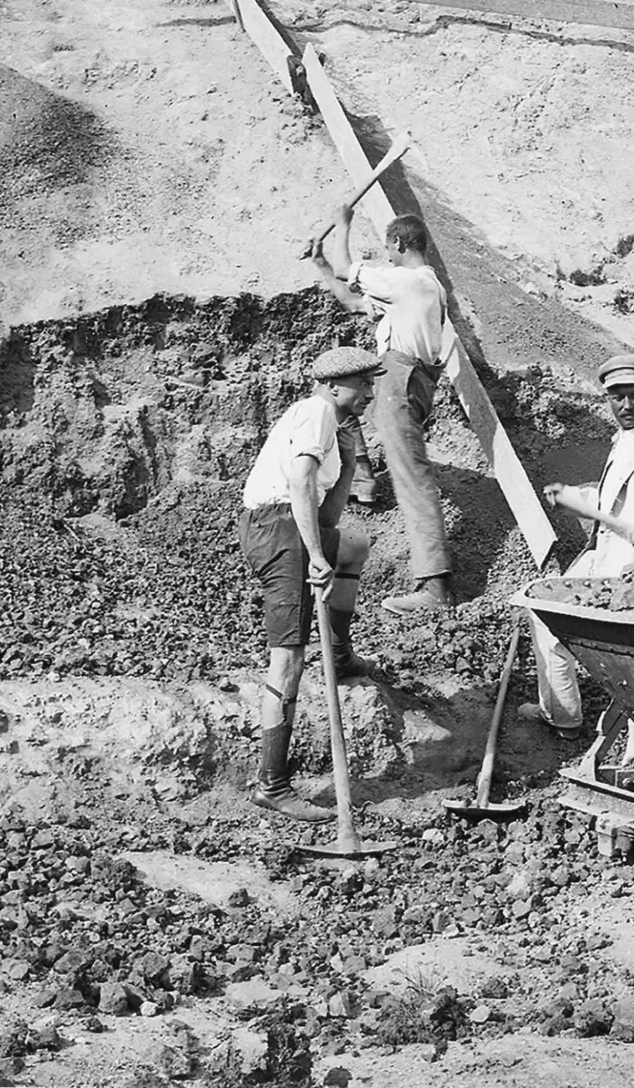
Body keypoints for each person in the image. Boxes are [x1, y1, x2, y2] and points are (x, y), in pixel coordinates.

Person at [236, 346, 382, 822]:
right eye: (364, 384)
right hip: (279, 527)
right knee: (289, 658)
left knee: (354, 545)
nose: (370, 393)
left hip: (292, 523)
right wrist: (316, 556)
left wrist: (349, 460)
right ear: (334, 386)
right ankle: (272, 784)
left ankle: (338, 654)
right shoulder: (316, 411)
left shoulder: (333, 428)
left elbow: (328, 517)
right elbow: (300, 481)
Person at [521, 354, 634, 737]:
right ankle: (562, 714)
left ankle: (592, 724)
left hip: (633, 568)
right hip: (603, 555)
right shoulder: (623, 440)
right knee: (544, 614)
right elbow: (612, 502)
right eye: (618, 398)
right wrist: (575, 497)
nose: (626, 406)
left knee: (589, 640)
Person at [309, 206, 455, 616]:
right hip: (397, 379)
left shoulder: (410, 281)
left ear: (400, 243)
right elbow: (351, 301)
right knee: (339, 399)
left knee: (413, 479)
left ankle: (436, 587)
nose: (387, 257)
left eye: (389, 249)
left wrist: (343, 224)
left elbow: (348, 270)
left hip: (401, 381)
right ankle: (364, 479)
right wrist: (320, 263)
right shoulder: (416, 291)